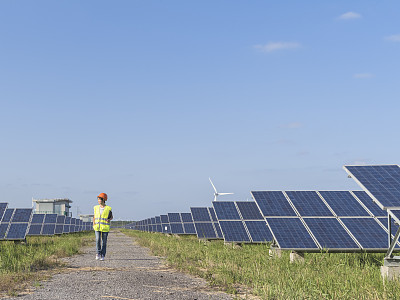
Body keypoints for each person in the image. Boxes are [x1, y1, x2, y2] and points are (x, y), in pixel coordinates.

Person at [93, 192, 113, 261]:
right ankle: (98, 253)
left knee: (104, 242)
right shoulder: (95, 207)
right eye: (98, 199)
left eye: (99, 199)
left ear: (103, 199)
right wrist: (94, 224)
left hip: (105, 228)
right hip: (97, 227)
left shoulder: (108, 208)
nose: (98, 201)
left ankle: (103, 255)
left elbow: (111, 217)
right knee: (98, 240)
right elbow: (94, 216)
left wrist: (109, 219)